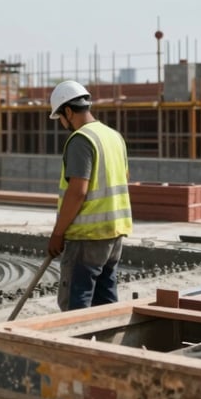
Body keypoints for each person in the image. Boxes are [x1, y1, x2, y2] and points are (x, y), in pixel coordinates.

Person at [47, 80, 132, 311]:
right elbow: (124, 178)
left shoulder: (81, 140)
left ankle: (78, 347)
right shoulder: (114, 137)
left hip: (87, 238)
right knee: (105, 306)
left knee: (77, 306)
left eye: (62, 119)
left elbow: (77, 192)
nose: (63, 124)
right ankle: (106, 346)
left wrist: (58, 233)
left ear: (67, 111)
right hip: (113, 236)